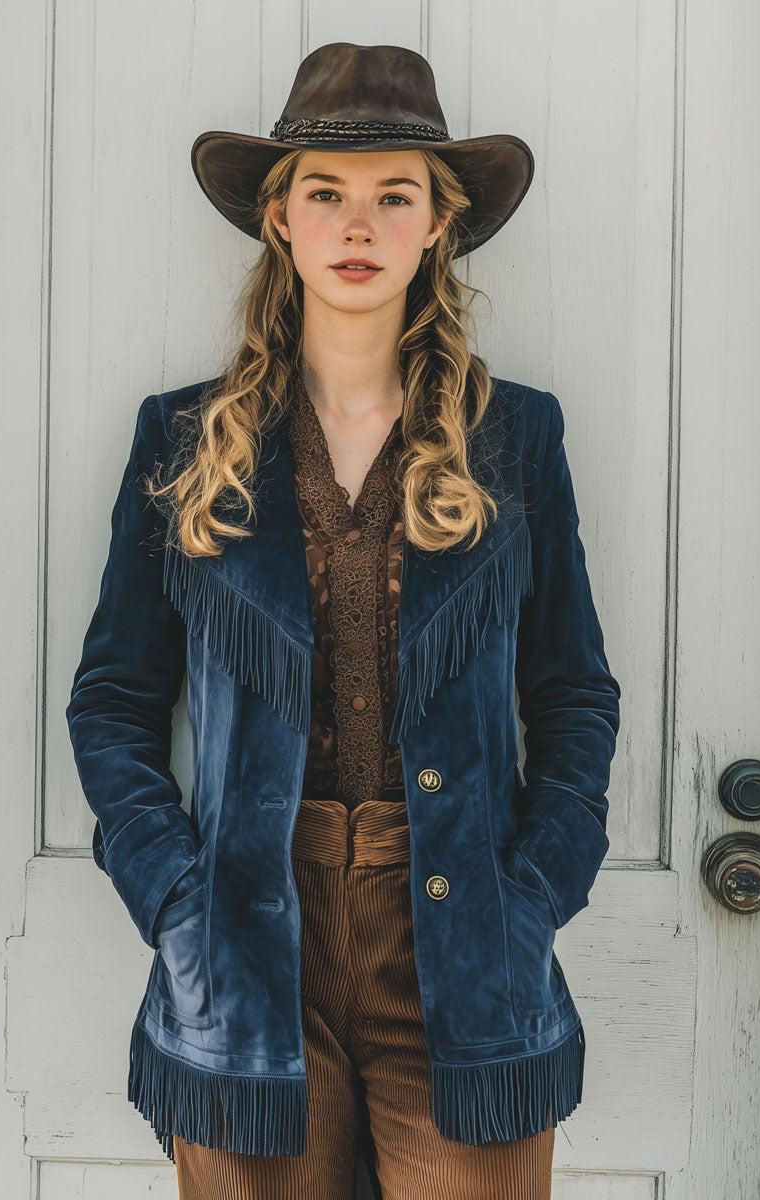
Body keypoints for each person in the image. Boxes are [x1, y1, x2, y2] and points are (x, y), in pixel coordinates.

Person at [66, 41, 621, 1200]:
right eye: (326, 191)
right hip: (246, 953)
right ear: (280, 218)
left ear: (437, 225)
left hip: (466, 946)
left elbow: (572, 694)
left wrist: (534, 897)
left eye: (393, 195)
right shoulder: (184, 442)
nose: (358, 224)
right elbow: (115, 703)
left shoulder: (514, 440)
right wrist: (174, 899)